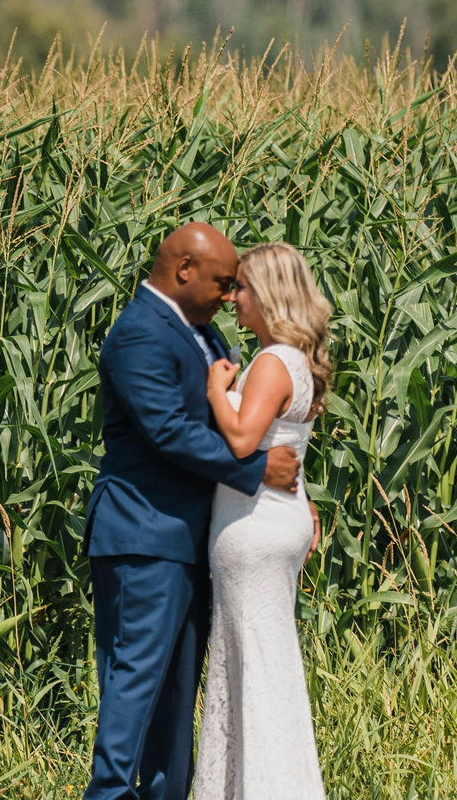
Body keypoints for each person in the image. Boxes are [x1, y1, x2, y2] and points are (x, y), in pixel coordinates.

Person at [85, 221, 303, 800]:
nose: (230, 297)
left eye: (236, 286)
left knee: (177, 701)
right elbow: (168, 431)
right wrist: (257, 474)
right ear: (184, 270)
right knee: (134, 691)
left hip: (191, 540)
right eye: (222, 283)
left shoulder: (197, 332)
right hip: (143, 536)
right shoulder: (139, 334)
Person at [195, 242, 334, 800]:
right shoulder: (296, 360)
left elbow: (244, 440)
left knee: (252, 663)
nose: (234, 298)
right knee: (266, 662)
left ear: (271, 296)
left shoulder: (273, 362)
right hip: (280, 519)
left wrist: (215, 391)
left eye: (244, 288)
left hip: (252, 529)